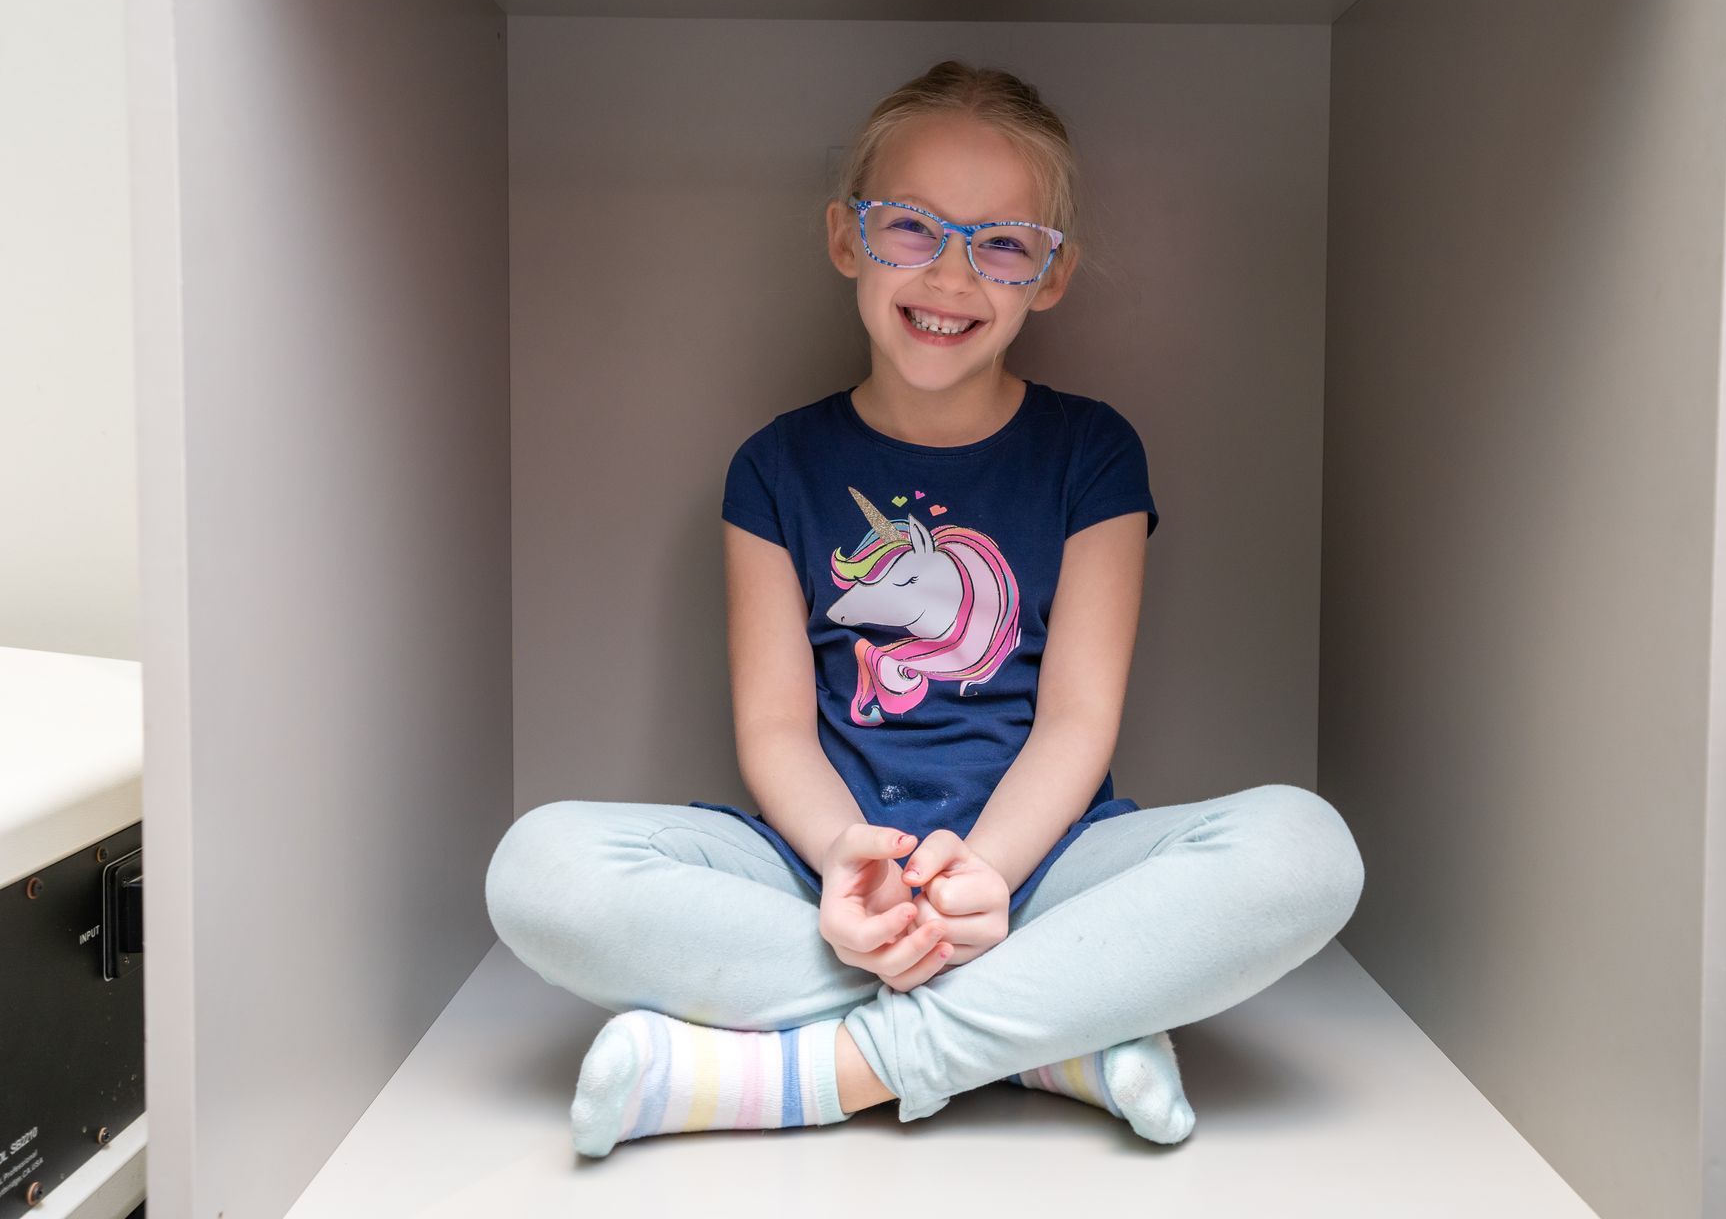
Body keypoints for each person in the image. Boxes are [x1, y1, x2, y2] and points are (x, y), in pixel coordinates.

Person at [483, 60, 1366, 1159]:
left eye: (1001, 242)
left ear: (1049, 275)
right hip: (825, 873)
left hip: (1043, 868)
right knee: (537, 868)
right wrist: (847, 857)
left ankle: (814, 1071)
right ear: (849, 240)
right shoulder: (774, 467)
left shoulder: (1093, 453)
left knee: (1308, 847)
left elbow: (1077, 722)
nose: (951, 273)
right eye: (912, 228)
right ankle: (1054, 1038)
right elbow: (773, 729)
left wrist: (986, 876)